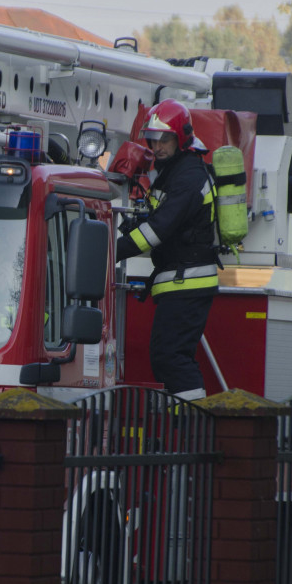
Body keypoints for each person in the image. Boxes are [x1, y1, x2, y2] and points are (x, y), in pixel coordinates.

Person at [115, 99, 218, 400]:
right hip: (179, 280)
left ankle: (191, 426)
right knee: (166, 358)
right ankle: (181, 423)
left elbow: (156, 231)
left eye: (165, 139)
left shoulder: (188, 177)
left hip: (188, 280)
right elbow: (152, 218)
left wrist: (110, 251)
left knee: (172, 359)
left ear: (181, 137)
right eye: (153, 139)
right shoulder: (173, 171)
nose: (157, 146)